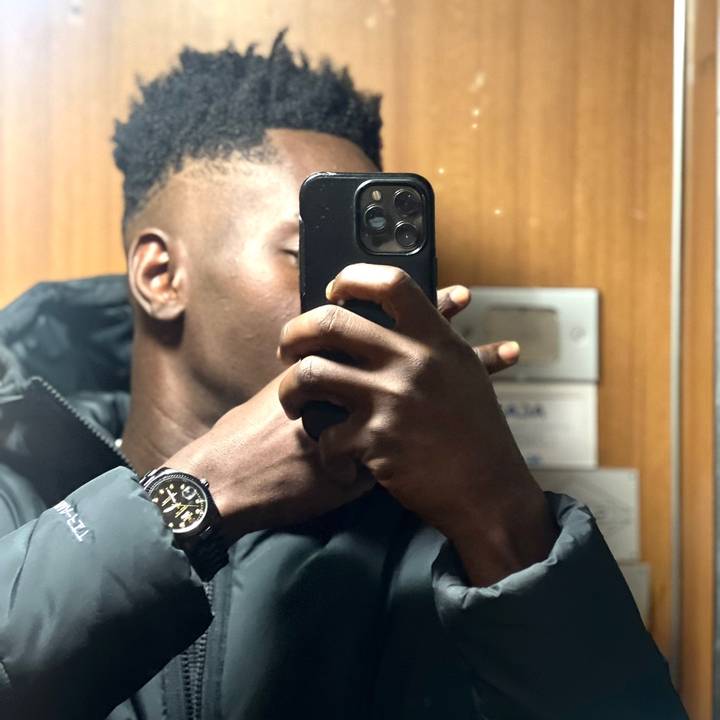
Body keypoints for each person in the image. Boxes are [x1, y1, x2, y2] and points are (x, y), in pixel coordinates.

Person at [0, 33, 687, 719]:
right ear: (160, 276)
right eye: (312, 255)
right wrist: (203, 496)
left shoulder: (440, 544)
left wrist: (499, 509)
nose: (369, 290)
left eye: (390, 267)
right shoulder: (16, 486)